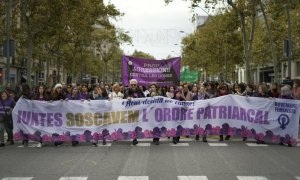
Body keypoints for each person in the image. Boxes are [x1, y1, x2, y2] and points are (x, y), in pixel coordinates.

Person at [123, 79, 145, 145]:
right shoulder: (127, 92)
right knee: (132, 125)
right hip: (130, 112)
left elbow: (144, 99)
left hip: (139, 112)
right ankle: (134, 138)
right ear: (130, 85)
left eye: (134, 85)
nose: (133, 86)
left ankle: (135, 137)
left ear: (136, 85)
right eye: (131, 85)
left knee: (137, 125)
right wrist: (127, 98)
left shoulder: (140, 91)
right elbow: (123, 101)